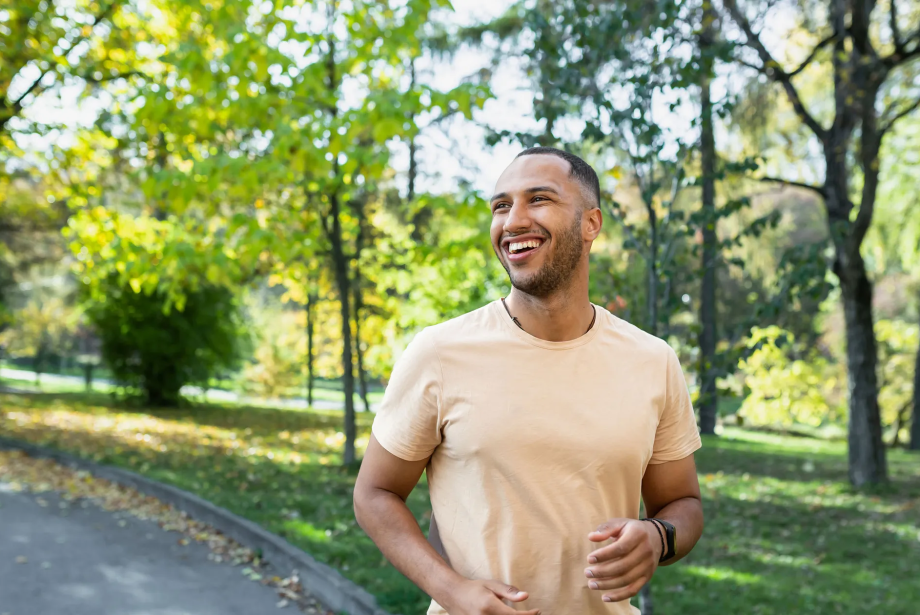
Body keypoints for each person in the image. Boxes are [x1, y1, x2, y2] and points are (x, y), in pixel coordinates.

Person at [353, 147, 704, 615]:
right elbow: (374, 494)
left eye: (538, 199)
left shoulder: (653, 360)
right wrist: (452, 591)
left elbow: (683, 502)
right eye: (501, 206)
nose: (513, 221)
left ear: (591, 223)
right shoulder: (439, 353)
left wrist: (659, 538)